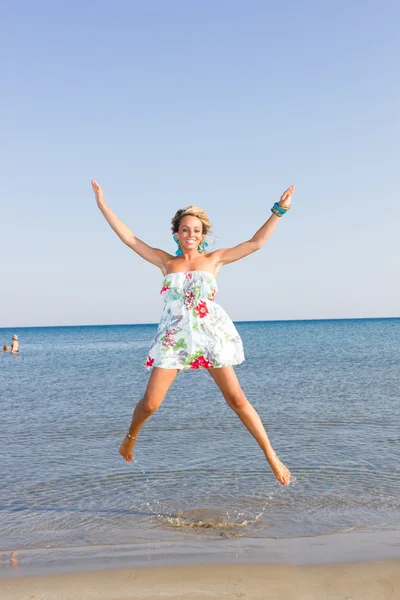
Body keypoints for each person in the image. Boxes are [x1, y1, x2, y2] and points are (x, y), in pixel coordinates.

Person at [91, 179, 295, 486]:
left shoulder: (214, 260)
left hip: (210, 336)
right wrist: (103, 205)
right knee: (150, 404)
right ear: (176, 233)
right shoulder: (166, 262)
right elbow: (130, 239)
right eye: (185, 229)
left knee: (237, 399)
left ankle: (271, 455)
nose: (191, 234)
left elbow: (255, 243)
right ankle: (129, 438)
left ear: (202, 236)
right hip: (175, 338)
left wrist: (279, 210)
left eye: (196, 231)